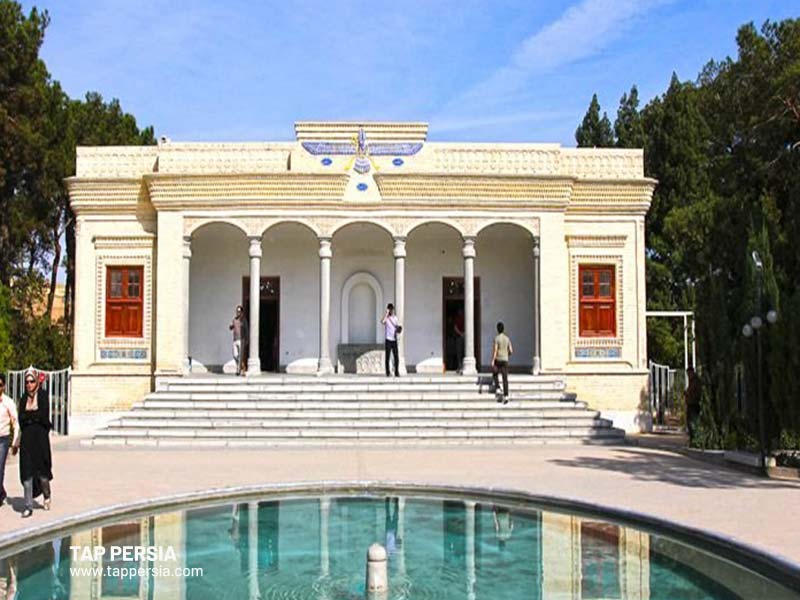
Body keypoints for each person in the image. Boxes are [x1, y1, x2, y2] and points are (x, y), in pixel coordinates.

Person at [16, 369, 53, 518]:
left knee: (43, 473)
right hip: (27, 441)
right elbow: (22, 418)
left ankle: (47, 495)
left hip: (40, 440)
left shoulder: (43, 396)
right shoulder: (24, 398)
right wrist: (33, 417)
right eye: (27, 382)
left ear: (37, 382)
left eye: (32, 381)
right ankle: (28, 505)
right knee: (26, 473)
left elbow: (43, 415)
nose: (29, 385)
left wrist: (31, 417)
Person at [0, 375, 20, 506]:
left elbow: (16, 422)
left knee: (0, 467)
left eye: (0, 385)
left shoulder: (8, 402)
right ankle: (2, 493)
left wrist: (15, 443)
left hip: (3, 438)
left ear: (4, 386)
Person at [492, 322, 513, 403]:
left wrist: (493, 360)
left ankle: (497, 387)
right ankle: (506, 395)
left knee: (495, 372)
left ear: (497, 329)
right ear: (503, 329)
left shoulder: (496, 338)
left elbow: (495, 350)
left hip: (498, 359)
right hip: (505, 360)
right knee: (505, 378)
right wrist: (507, 354)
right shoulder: (507, 338)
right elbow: (511, 350)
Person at [381, 303, 401, 377]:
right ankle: (388, 372)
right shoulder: (387, 318)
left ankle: (396, 372)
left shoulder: (395, 318)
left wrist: (398, 330)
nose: (391, 311)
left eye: (392, 309)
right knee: (387, 357)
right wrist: (386, 314)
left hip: (394, 339)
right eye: (390, 309)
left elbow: (396, 327)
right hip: (388, 339)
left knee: (396, 356)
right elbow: (382, 321)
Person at [229, 305, 249, 376]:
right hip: (235, 339)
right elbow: (231, 327)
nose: (238, 313)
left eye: (239, 311)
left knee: (240, 356)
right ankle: (242, 365)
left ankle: (238, 370)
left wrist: (247, 339)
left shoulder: (244, 320)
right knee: (235, 355)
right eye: (237, 311)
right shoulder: (234, 320)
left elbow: (246, 330)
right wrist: (231, 327)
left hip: (241, 339)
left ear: (242, 312)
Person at [685, 366, 701, 439]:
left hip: (693, 404)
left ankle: (694, 437)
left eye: (688, 373)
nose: (688, 375)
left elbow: (694, 392)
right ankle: (693, 437)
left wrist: (687, 393)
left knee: (692, 421)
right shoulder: (692, 381)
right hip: (691, 403)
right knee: (690, 421)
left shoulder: (695, 381)